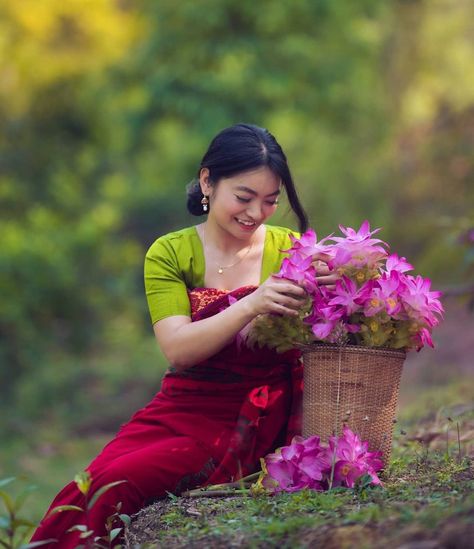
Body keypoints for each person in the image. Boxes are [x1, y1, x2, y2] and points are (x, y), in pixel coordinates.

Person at [31, 123, 337, 547]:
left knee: (118, 483)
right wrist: (250, 303)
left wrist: (337, 284)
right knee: (87, 487)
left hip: (254, 416)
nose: (256, 213)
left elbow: (326, 330)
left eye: (270, 201)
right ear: (208, 181)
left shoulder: (291, 250)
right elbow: (178, 348)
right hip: (182, 405)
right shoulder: (170, 252)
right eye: (244, 198)